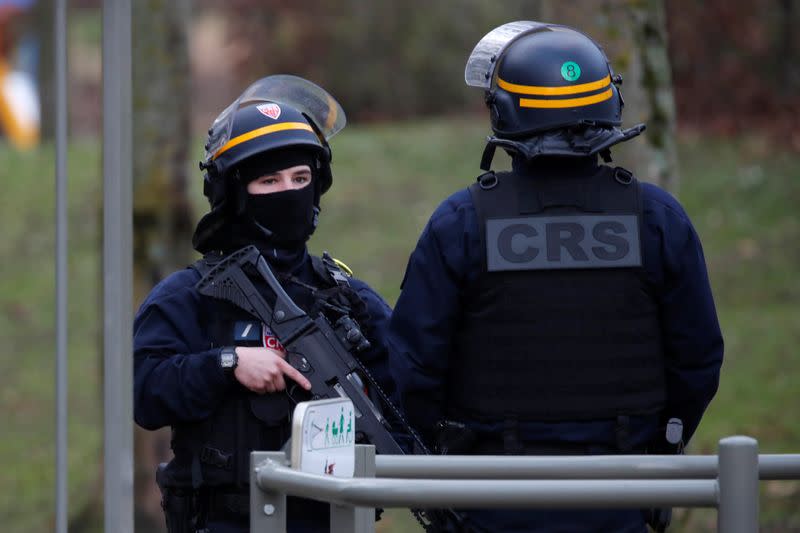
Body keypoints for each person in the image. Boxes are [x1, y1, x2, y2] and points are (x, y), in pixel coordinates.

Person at [388, 21, 723, 533]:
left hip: (492, 498)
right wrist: (657, 446)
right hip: (625, 491)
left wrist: (451, 453)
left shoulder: (462, 222)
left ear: (504, 111)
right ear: (610, 105)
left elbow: (413, 368)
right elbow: (697, 361)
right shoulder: (657, 218)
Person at [133, 75, 397, 533]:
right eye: (268, 181)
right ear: (233, 195)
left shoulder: (349, 299)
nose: (289, 192)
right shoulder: (188, 297)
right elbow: (145, 393)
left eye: (300, 178)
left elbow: (409, 391)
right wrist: (227, 364)